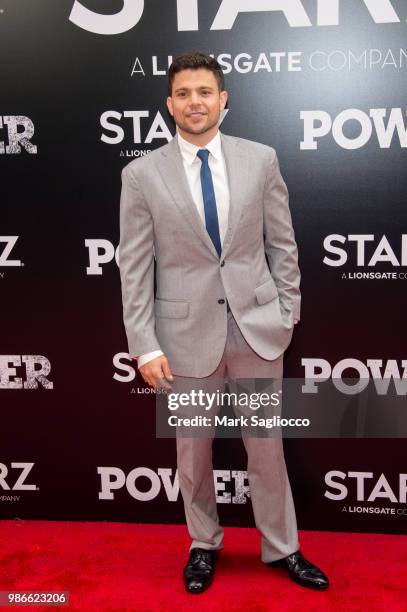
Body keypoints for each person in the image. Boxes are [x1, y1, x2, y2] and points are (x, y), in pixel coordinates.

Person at [119, 51, 329, 594]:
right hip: (183, 336)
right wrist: (144, 345)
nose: (195, 102)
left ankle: (282, 548)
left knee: (267, 444)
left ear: (224, 100)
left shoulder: (261, 160)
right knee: (192, 450)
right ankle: (203, 544)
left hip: (258, 331)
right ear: (170, 104)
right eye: (184, 93)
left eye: (205, 92)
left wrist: (286, 314)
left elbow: (283, 244)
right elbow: (134, 265)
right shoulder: (141, 174)